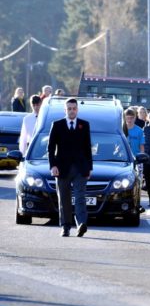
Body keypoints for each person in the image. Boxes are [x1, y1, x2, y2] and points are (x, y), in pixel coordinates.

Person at [48, 98, 93, 237]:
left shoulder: (84, 125)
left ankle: (81, 224)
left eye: (74, 108)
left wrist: (90, 167)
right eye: (69, 109)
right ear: (65, 110)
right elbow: (50, 148)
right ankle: (66, 226)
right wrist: (53, 165)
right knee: (64, 198)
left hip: (80, 168)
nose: (72, 111)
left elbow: (87, 148)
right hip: (62, 168)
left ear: (77, 110)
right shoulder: (57, 125)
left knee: (80, 197)